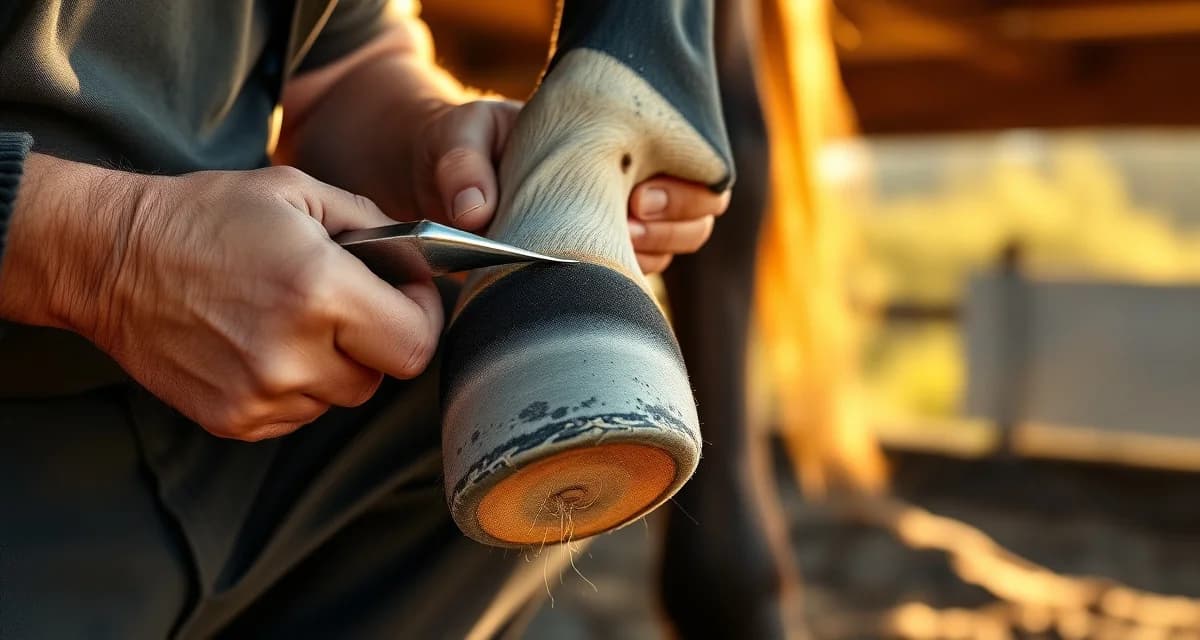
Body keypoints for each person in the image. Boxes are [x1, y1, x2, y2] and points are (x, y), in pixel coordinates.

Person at [0, 1, 729, 637]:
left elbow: (341, 63)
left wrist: (423, 137)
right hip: (30, 461)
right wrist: (104, 252)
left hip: (237, 424)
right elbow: (105, 250)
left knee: (520, 391)